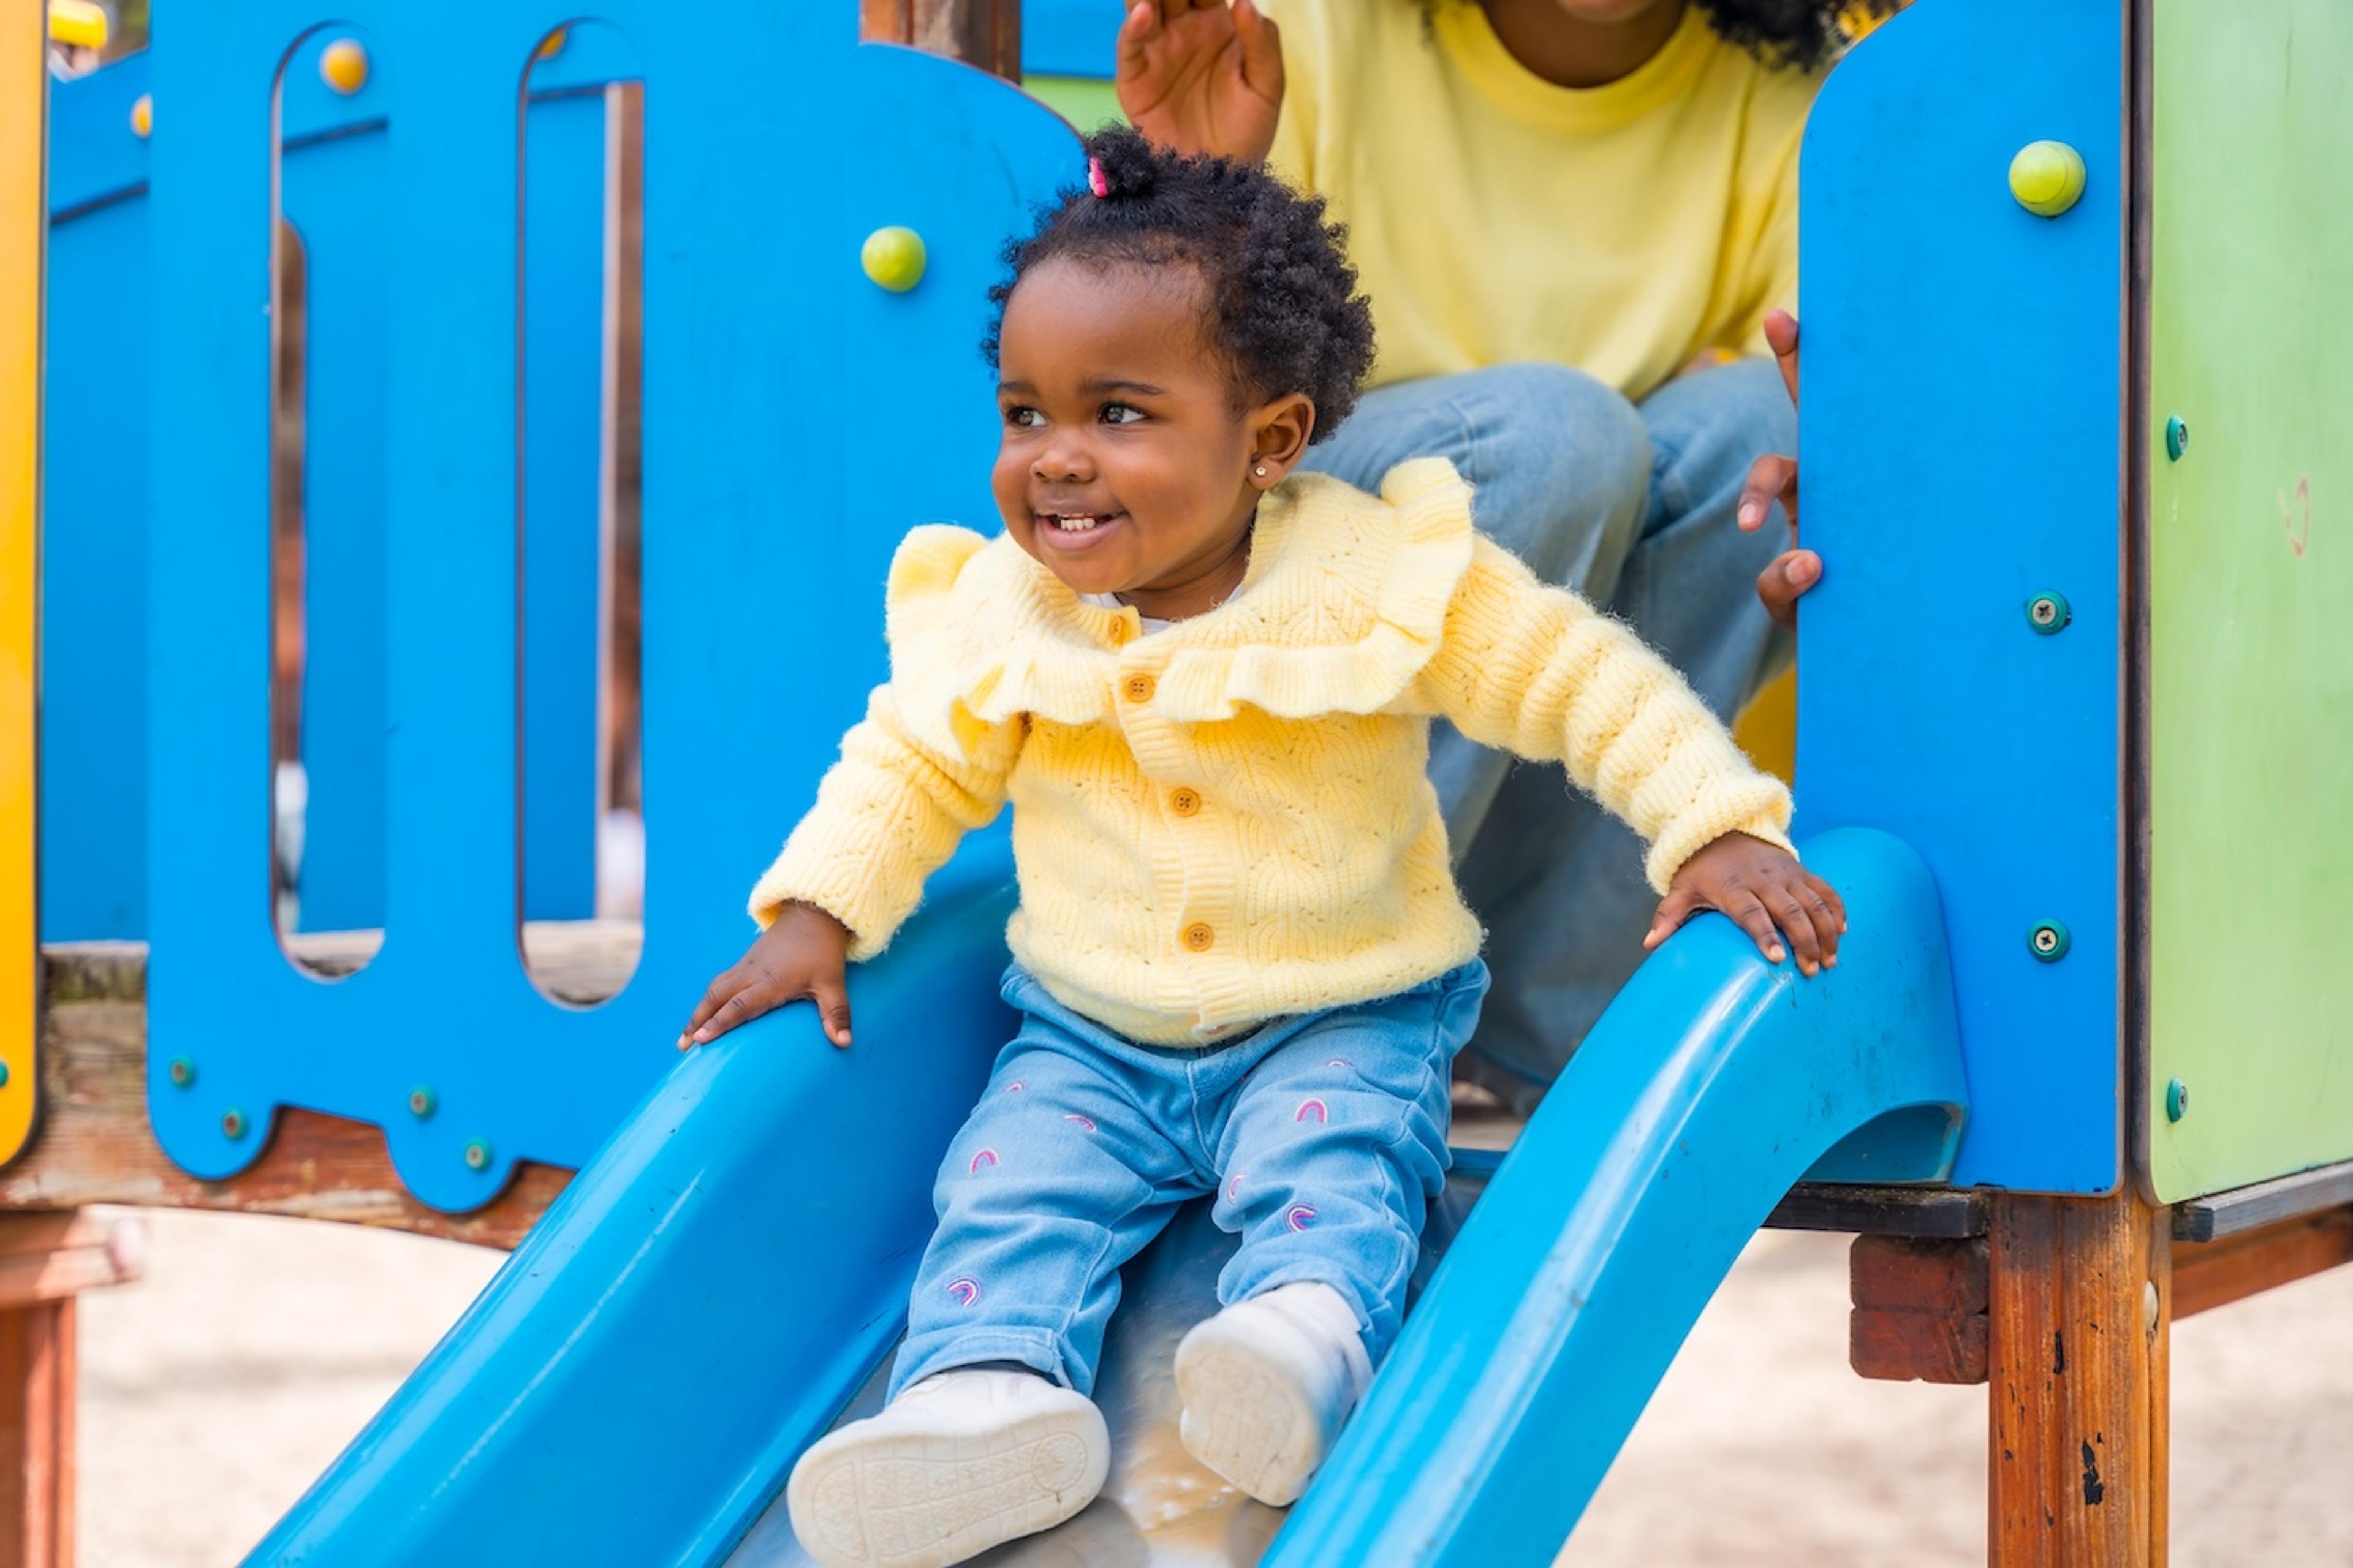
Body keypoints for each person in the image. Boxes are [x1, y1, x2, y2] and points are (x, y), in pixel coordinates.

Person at [678, 128, 1843, 1568]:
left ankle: (1306, 1337)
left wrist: (1712, 824)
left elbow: (1580, 681)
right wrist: (816, 910)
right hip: (1090, 1036)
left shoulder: (1374, 574)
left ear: (1272, 441)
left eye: (1118, 413)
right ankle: (984, 1395)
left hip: (1338, 1008)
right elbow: (907, 761)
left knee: (1344, 1165)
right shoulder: (1007, 609)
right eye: (1026, 413)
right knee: (1005, 1190)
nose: (1056, 458)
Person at [1115, 0, 1870, 1108]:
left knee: (1783, 427)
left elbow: (1828, 399)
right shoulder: (1299, 35)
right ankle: (1301, 985)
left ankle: (1536, 1017)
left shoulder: (1796, 94)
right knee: (1561, 440)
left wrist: (1847, 504)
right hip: (1303, 545)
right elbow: (1152, 419)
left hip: (1549, 553)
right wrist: (1188, 195)